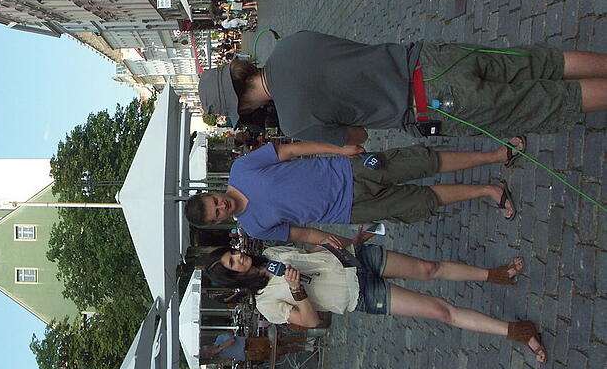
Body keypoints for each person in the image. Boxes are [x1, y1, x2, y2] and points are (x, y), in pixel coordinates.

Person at [197, 31, 607, 146]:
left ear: (241, 101)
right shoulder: (290, 46)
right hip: (429, 58)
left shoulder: (295, 121)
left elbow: (358, 135)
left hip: (432, 105)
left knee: (552, 102)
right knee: (539, 61)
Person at [201, 233, 547, 363]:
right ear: (233, 276)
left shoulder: (271, 253)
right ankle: (515, 331)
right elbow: (309, 322)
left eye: (233, 253)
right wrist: (296, 290)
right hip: (360, 294)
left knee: (429, 268)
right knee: (441, 312)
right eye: (233, 263)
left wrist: (336, 243)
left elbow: (310, 252)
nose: (239, 258)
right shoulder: (264, 302)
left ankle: (496, 274)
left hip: (356, 260)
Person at [184, 139, 525, 242]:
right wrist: (334, 241)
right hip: (349, 211)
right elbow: (300, 233)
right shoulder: (255, 228)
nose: (223, 206)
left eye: (215, 201)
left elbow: (290, 151)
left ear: (212, 192)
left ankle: (496, 154)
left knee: (424, 162)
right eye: (218, 213)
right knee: (422, 201)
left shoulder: (241, 169)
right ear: (218, 222)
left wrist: (339, 150)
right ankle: (489, 190)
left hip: (348, 168)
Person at [200, 332, 306, 362]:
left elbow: (232, 340)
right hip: (250, 355)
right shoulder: (220, 356)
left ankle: (305, 340)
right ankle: (303, 348)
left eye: (209, 353)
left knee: (280, 342)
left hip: (250, 344)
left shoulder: (220, 339)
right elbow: (231, 358)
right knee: (280, 351)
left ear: (208, 347)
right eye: (208, 356)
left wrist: (219, 348)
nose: (211, 355)